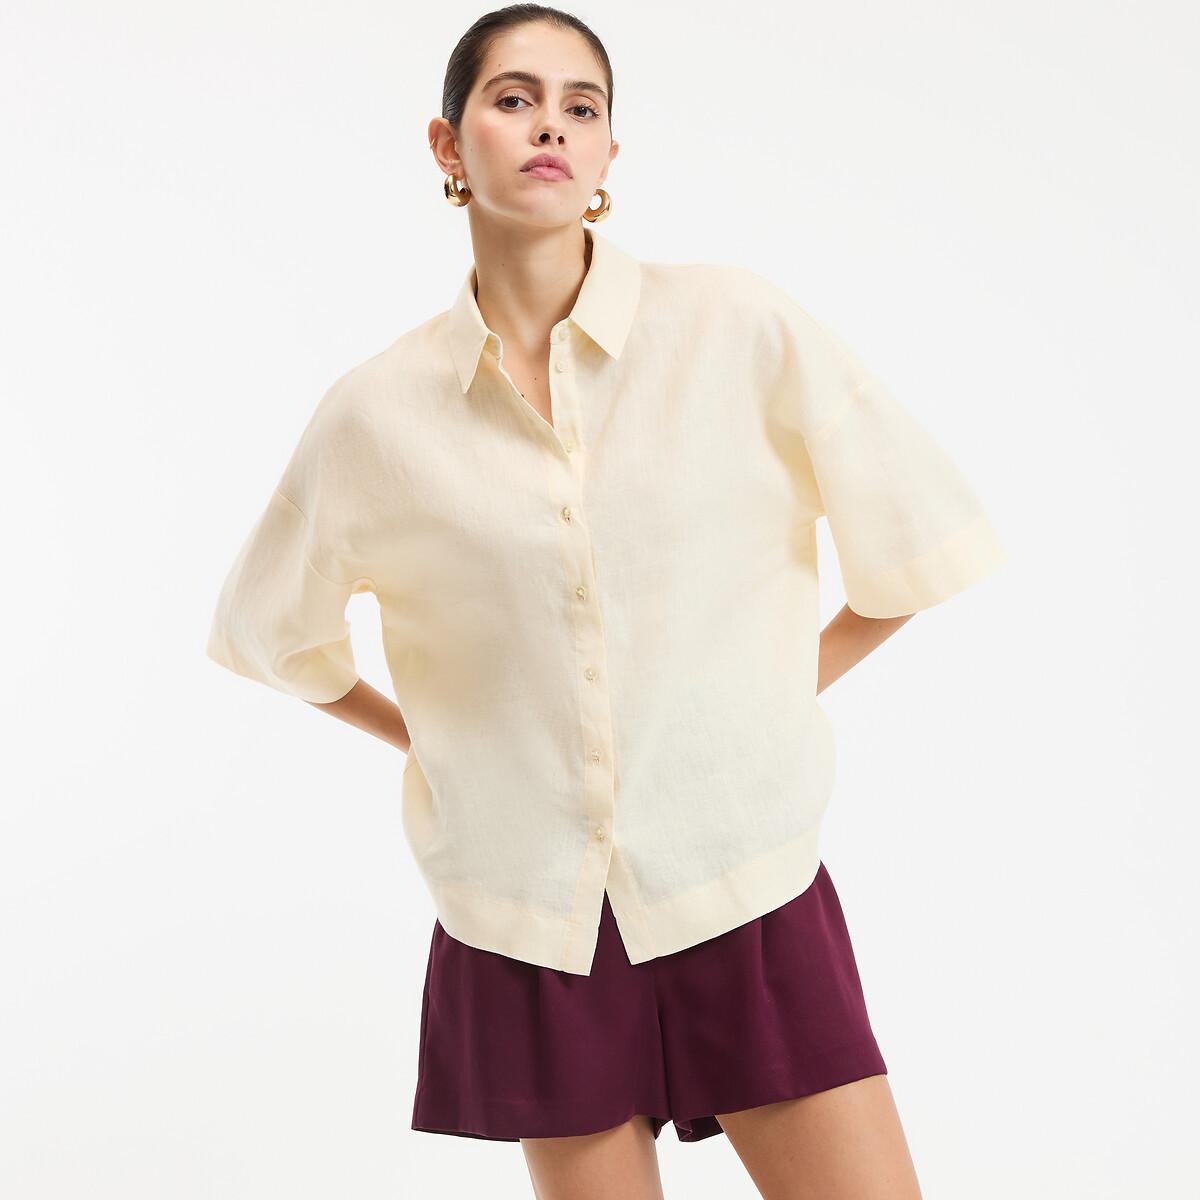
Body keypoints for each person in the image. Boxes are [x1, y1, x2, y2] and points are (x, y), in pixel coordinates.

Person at [205, 5, 1007, 1197]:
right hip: (531, 919)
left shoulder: (735, 327)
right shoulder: (377, 414)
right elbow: (275, 635)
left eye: (581, 107)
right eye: (514, 99)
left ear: (609, 156)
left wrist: (759, 695)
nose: (552, 127)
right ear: (447, 144)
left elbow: (919, 543)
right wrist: (442, 742)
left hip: (742, 879)